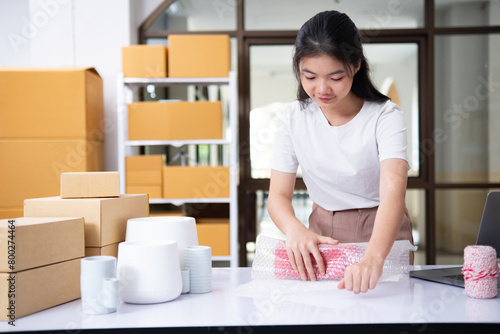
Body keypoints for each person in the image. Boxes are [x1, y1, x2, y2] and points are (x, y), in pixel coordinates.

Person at [267, 10, 413, 294]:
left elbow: (394, 190)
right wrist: (295, 230)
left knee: (385, 310)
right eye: (309, 76)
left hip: (380, 229)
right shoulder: (293, 117)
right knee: (322, 312)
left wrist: (373, 258)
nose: (322, 89)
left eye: (335, 77)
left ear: (356, 65)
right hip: (319, 230)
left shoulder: (385, 116)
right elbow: (278, 195)